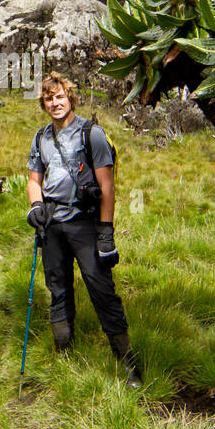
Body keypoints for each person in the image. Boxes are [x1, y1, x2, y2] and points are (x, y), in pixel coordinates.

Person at [25, 72, 141, 388]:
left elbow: (107, 186)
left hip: (86, 224)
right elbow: (34, 181)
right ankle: (65, 358)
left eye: (59, 96)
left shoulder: (93, 135)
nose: (55, 103)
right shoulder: (40, 139)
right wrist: (36, 206)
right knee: (58, 289)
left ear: (70, 98)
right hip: (52, 226)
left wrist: (106, 232)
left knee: (101, 290)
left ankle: (129, 364)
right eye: (49, 98)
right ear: (44, 103)